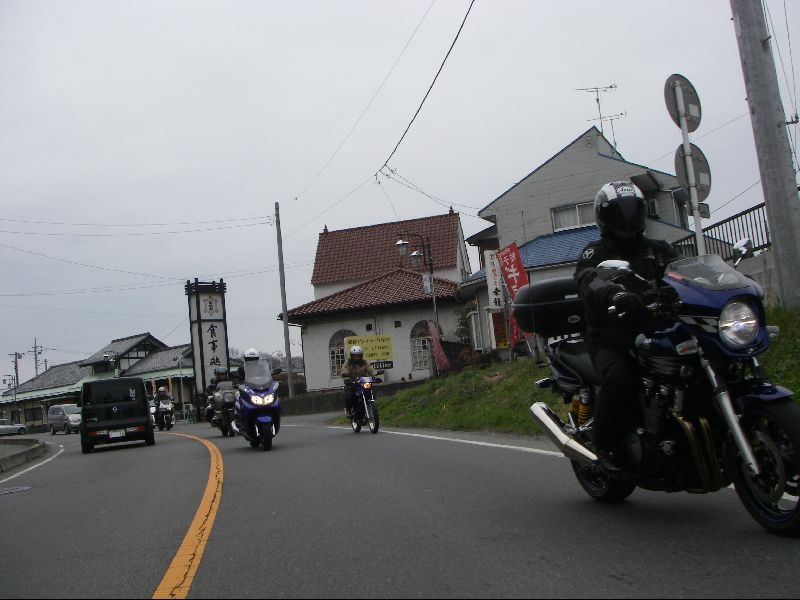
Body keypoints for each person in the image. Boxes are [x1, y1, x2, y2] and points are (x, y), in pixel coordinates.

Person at [574, 180, 678, 475]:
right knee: (619, 378)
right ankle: (605, 445)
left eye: (633, 211)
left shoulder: (658, 250)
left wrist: (718, 282)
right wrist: (615, 295)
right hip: (611, 337)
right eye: (620, 213)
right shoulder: (596, 253)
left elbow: (684, 271)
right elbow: (589, 279)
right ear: (605, 217)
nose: (628, 220)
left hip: (657, 331)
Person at [340, 345, 376, 418]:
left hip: (362, 382)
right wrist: (345, 374)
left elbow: (370, 369)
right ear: (352, 355)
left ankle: (369, 406)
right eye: (355, 355)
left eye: (358, 355)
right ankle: (348, 410)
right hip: (352, 383)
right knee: (350, 397)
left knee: (370, 392)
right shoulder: (348, 363)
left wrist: (375, 374)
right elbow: (344, 370)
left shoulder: (364, 362)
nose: (357, 357)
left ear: (361, 355)